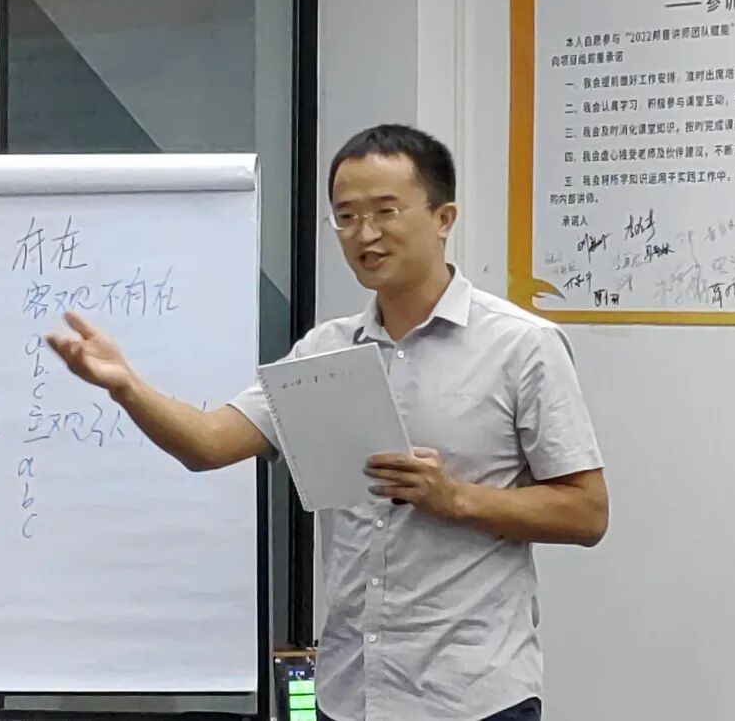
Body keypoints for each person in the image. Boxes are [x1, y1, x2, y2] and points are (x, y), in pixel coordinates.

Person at [46, 124, 608, 721]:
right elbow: (208, 444)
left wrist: (455, 499)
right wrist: (127, 387)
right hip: (348, 692)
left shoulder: (522, 346)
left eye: (385, 211)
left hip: (471, 696)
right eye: (346, 216)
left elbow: (586, 512)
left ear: (444, 217)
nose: (365, 234)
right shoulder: (326, 352)